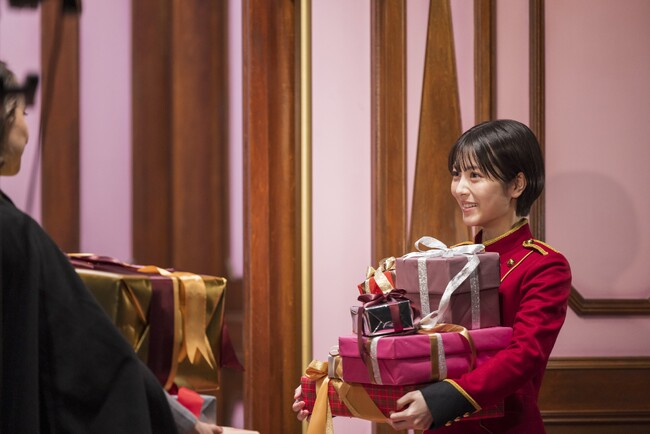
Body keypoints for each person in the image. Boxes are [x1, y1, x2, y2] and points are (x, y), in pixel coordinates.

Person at [293, 119, 571, 433]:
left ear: (517, 185)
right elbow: (409, 349)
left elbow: (524, 357)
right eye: (457, 174)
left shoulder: (544, 266)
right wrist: (331, 390)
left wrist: (439, 401)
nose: (460, 188)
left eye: (475, 175)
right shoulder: (449, 261)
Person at [0, 61, 222, 434]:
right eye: (23, 113)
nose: (27, 127)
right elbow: (96, 359)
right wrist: (183, 423)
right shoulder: (14, 236)